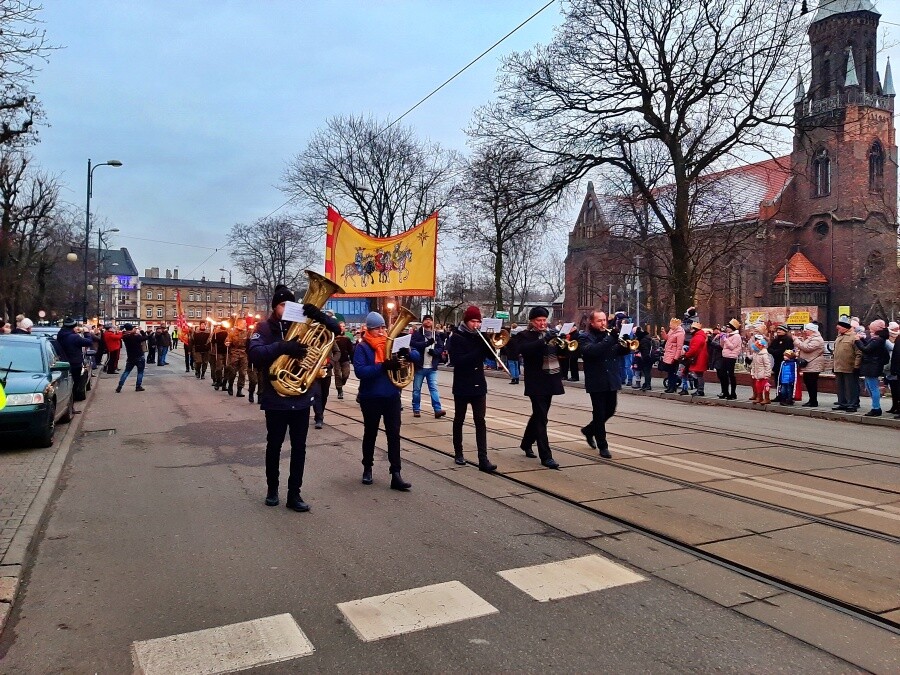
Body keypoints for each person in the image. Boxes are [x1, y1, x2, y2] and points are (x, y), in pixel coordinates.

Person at [249, 285, 340, 511]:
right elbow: (255, 354)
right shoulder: (264, 327)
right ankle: (272, 489)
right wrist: (282, 347)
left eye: (291, 304)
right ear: (275, 307)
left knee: (299, 447)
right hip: (276, 398)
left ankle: (294, 494)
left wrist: (319, 315)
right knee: (275, 445)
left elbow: (335, 330)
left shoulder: (304, 325)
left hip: (300, 396)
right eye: (282, 305)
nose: (287, 308)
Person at [353, 310, 418, 489]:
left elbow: (417, 357)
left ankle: (396, 473)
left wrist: (408, 354)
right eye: (377, 328)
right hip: (370, 397)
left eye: (383, 327)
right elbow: (360, 372)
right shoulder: (362, 347)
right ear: (369, 329)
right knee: (370, 433)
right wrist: (383, 366)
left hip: (391, 396)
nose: (382, 331)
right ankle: (367, 468)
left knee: (394, 435)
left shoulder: (392, 343)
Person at [509, 306, 564, 469]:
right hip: (536, 380)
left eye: (544, 320)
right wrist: (543, 340)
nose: (542, 323)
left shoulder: (551, 334)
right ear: (532, 322)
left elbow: (561, 352)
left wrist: (564, 344)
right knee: (541, 418)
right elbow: (523, 350)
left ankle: (526, 443)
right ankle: (546, 456)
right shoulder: (524, 336)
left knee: (540, 414)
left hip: (551, 378)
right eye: (539, 321)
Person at [446, 306, 497, 472]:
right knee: (459, 419)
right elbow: (458, 361)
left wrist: (490, 343)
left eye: (478, 321)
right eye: (473, 321)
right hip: (462, 384)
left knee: (480, 421)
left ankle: (483, 459)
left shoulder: (480, 337)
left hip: (479, 384)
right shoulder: (456, 337)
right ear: (466, 321)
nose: (476, 324)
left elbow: (491, 357)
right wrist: (479, 350)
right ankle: (458, 453)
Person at [578, 310, 628, 459]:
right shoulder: (585, 337)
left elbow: (619, 352)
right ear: (592, 323)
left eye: (604, 320)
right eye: (599, 321)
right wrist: (610, 339)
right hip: (596, 380)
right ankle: (603, 445)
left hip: (611, 379)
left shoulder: (609, 337)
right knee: (599, 413)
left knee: (610, 410)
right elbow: (592, 352)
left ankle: (588, 430)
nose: (603, 323)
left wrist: (626, 344)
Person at [410, 314, 447, 419]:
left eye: (430, 320)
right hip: (420, 366)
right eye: (426, 320)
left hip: (432, 367)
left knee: (434, 388)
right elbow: (413, 344)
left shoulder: (436, 335)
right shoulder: (417, 334)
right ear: (422, 322)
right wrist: (425, 344)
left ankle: (437, 409)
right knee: (417, 389)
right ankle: (416, 409)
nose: (428, 321)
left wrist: (435, 353)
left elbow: (441, 347)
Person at [854, 319, 889, 417]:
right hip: (871, 365)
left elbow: (866, 349)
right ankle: (875, 407)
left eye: (871, 328)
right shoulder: (878, 339)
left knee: (873, 388)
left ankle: (876, 408)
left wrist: (857, 341)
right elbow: (869, 346)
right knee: (869, 387)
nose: (870, 330)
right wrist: (862, 340)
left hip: (872, 366)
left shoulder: (878, 340)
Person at [56, 318, 93, 404]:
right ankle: (71, 405)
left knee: (66, 385)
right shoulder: (74, 337)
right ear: (73, 327)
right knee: (74, 385)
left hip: (63, 363)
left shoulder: (60, 335)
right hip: (75, 364)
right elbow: (89, 342)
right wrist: (87, 333)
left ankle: (69, 405)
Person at [793, 323, 825, 407]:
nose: (805, 331)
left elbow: (807, 348)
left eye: (807, 329)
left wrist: (796, 341)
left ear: (812, 330)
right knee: (808, 382)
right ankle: (811, 400)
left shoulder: (817, 339)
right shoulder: (811, 338)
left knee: (812, 383)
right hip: (809, 364)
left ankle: (813, 401)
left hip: (814, 364)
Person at [832, 319, 861, 413]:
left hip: (849, 366)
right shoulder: (839, 337)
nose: (838, 329)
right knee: (840, 387)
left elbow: (859, 353)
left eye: (839, 328)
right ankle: (842, 403)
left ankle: (852, 404)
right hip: (839, 366)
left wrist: (856, 366)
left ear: (845, 327)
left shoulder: (854, 337)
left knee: (850, 387)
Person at [115, 324, 148, 393]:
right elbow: (145, 338)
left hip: (130, 357)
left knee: (126, 371)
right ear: (131, 329)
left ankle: (120, 385)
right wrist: (141, 330)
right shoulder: (136, 336)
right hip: (139, 355)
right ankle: (138, 386)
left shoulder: (125, 337)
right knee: (140, 372)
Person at [682, 321, 709, 397]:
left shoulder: (698, 337)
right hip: (700, 357)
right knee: (699, 374)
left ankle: (700, 390)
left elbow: (694, 349)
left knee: (699, 375)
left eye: (691, 329)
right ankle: (700, 390)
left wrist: (686, 355)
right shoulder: (700, 336)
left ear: (695, 329)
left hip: (699, 358)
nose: (690, 330)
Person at [224, 318, 249, 397]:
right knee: (233, 372)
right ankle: (230, 385)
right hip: (234, 353)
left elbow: (250, 342)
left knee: (242, 373)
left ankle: (239, 389)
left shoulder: (247, 333)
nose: (246, 324)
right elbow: (227, 341)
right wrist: (227, 343)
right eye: (244, 323)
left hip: (244, 354)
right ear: (239, 324)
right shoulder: (232, 332)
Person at [661, 318, 685, 393]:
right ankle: (670, 386)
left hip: (674, 354)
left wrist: (676, 357)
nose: (670, 326)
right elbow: (667, 338)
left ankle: (673, 387)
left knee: (673, 371)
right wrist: (663, 333)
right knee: (670, 371)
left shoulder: (680, 333)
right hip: (669, 353)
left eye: (671, 324)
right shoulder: (672, 331)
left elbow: (679, 347)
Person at [748, 335, 773, 405]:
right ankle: (759, 397)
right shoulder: (755, 354)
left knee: (766, 386)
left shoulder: (764, 355)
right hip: (757, 374)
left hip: (764, 374)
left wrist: (767, 374)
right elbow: (753, 364)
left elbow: (767, 365)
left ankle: (767, 398)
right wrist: (753, 372)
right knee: (758, 386)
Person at [332, 321, 353, 400]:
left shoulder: (347, 339)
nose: (342, 328)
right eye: (341, 326)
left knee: (346, 374)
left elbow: (351, 350)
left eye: (343, 326)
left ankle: (342, 383)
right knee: (338, 375)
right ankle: (339, 390)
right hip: (336, 359)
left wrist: (352, 358)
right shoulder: (334, 338)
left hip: (345, 359)